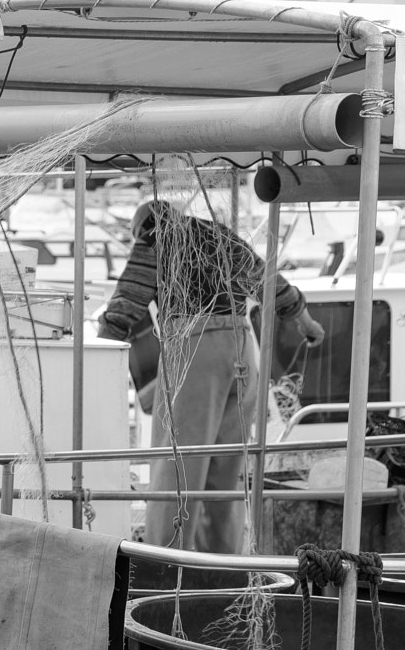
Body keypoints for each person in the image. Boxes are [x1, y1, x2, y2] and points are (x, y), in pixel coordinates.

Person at [99, 199, 324, 553]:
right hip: (241, 351)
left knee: (177, 472)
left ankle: (166, 565)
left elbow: (125, 306)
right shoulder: (222, 237)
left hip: (194, 350)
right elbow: (272, 285)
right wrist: (306, 322)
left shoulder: (156, 239)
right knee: (225, 477)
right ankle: (225, 569)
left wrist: (94, 353)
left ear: (143, 226)